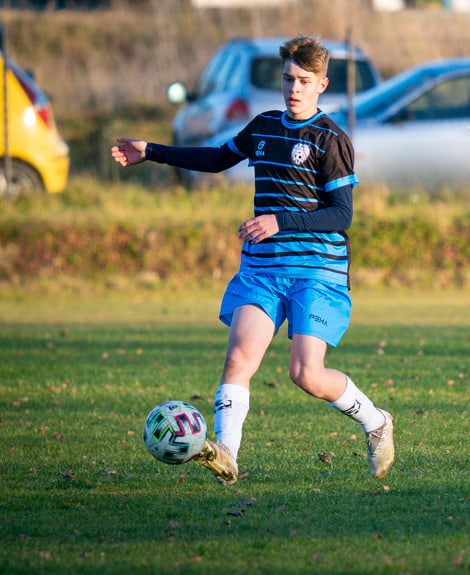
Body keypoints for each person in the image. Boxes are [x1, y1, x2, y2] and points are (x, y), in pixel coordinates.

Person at [111, 35, 394, 485]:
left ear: (322, 84)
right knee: (238, 358)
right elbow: (218, 158)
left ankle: (376, 420)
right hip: (263, 268)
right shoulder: (263, 127)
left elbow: (343, 214)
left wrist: (279, 221)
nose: (294, 88)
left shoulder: (331, 140)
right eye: (287, 79)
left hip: (317, 271)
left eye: (304, 81)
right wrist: (152, 152)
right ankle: (228, 454)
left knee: (306, 374)